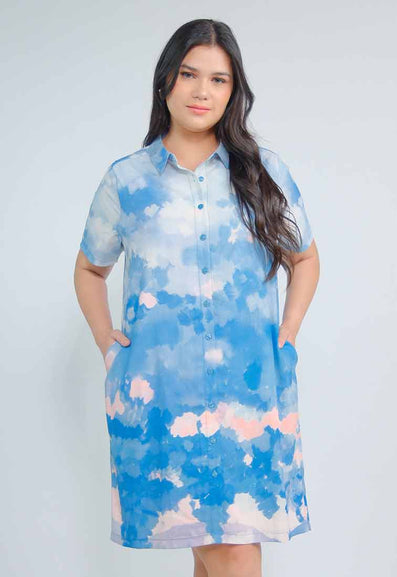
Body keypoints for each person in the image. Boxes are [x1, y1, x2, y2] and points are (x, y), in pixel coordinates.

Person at [74, 18, 320, 577]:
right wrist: (107, 342)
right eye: (189, 74)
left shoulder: (263, 173)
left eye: (218, 79)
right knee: (218, 551)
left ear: (234, 92)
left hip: (249, 401)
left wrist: (287, 331)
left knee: (232, 548)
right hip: (164, 400)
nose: (201, 91)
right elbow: (90, 268)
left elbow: (305, 258)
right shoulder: (127, 181)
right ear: (166, 80)